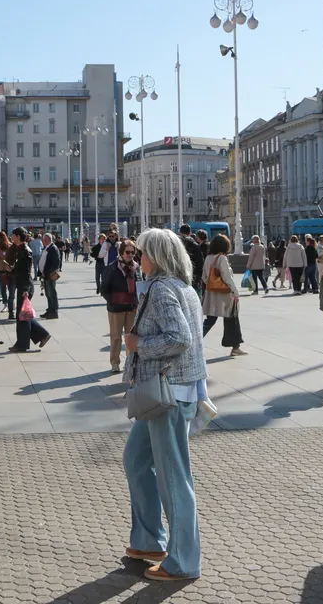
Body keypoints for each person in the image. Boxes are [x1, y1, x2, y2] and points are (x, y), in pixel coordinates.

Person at [122, 228, 206, 581]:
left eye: (140, 253)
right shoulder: (183, 287)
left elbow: (180, 338)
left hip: (167, 395)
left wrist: (138, 345)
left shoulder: (160, 289)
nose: (137, 259)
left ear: (154, 256)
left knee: (173, 479)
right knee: (136, 460)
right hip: (170, 392)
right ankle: (148, 540)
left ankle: (183, 560)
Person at [101, 239, 139, 373]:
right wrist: (113, 299)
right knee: (116, 337)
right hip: (116, 308)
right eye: (127, 252)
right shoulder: (112, 267)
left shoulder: (137, 268)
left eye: (132, 252)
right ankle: (115, 363)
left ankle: (130, 363)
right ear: (121, 252)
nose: (130, 255)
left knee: (131, 337)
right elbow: (103, 288)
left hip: (132, 308)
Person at [201, 234, 243, 356]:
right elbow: (227, 277)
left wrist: (213, 284)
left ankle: (195, 340)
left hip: (211, 294)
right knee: (231, 318)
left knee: (209, 320)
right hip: (224, 294)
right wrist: (235, 291)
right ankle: (235, 347)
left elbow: (204, 277)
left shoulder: (208, 258)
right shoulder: (222, 258)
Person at [10, 227, 35, 316]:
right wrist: (12, 269)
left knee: (22, 317)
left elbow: (27, 271)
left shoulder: (25, 251)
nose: (11, 238)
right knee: (23, 316)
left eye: (13, 236)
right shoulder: (19, 249)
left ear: (18, 237)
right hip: (21, 284)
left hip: (25, 286)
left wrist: (26, 289)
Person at [39, 233, 61, 319]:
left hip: (50, 275)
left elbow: (56, 263)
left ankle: (54, 311)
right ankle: (50, 310)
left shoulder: (53, 249)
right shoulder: (47, 248)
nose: (42, 241)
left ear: (46, 240)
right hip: (45, 275)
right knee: (48, 293)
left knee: (52, 293)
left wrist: (48, 272)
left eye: (43, 240)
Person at [178, 225, 205, 297]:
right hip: (193, 277)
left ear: (180, 232)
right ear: (190, 233)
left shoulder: (176, 244)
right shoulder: (195, 245)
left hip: (179, 277)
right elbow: (200, 262)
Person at [96, 228, 121, 294]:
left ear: (116, 236)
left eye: (113, 236)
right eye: (109, 236)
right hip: (108, 265)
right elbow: (101, 255)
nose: (111, 238)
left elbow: (122, 255)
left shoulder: (119, 244)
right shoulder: (105, 244)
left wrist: (118, 248)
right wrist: (106, 249)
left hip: (118, 265)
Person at [0, 232, 12, 318]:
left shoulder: (10, 246)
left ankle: (11, 302)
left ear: (3, 238)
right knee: (3, 287)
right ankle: (5, 304)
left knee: (11, 287)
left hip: (10, 269)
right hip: (0, 269)